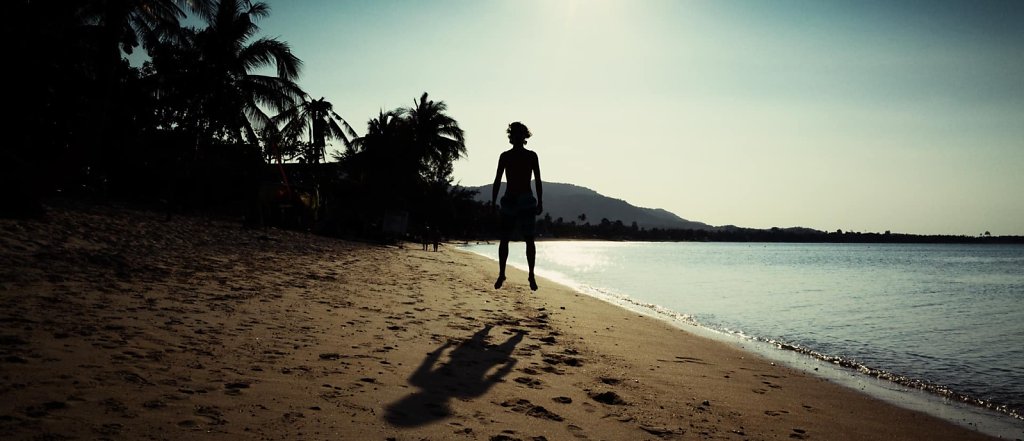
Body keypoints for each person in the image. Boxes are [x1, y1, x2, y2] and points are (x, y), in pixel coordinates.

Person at [491, 121, 543, 291]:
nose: (518, 137)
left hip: (527, 199)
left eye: (520, 134)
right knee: (504, 238)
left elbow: (538, 180)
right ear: (511, 137)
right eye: (514, 134)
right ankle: (501, 273)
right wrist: (493, 202)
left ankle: (531, 274)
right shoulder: (505, 156)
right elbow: (498, 179)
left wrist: (540, 201)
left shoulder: (532, 156)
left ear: (524, 136)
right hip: (510, 199)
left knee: (529, 240)